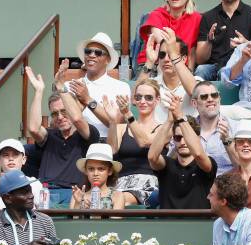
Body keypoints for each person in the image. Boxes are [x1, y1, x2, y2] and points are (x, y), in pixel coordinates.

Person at [26, 63, 100, 206]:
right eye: (54, 114)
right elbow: (34, 128)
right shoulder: (49, 135)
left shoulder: (87, 133)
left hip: (74, 193)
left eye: (64, 111)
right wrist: (39, 91)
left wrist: (61, 87)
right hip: (45, 191)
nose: (59, 117)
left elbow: (77, 119)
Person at [148, 97, 218, 208]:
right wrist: (169, 121)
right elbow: (152, 157)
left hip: (199, 224)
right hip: (167, 222)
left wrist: (180, 117)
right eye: (178, 137)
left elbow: (199, 154)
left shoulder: (207, 163)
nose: (182, 142)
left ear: (197, 138)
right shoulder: (167, 164)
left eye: (186, 137)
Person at [103, 78, 161, 206]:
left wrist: (127, 114)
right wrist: (113, 121)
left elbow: (144, 141)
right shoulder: (121, 127)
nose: (142, 101)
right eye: (138, 97)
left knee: (117, 199)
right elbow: (111, 151)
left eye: (148, 98)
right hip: (120, 184)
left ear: (157, 100)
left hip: (148, 185)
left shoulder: (162, 129)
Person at [195, 0, 251, 81]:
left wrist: (245, 43)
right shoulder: (208, 17)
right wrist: (209, 41)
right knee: (201, 70)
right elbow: (200, 59)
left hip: (240, 65)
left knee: (223, 73)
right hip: (214, 65)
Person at [66, 32, 132, 139]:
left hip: (108, 144)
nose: (92, 55)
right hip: (76, 144)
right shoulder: (69, 85)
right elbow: (63, 122)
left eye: (98, 53)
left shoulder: (121, 87)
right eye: (88, 51)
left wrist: (88, 100)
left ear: (108, 60)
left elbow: (118, 124)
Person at [138, 0, 202, 70]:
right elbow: (164, 45)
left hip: (181, 66)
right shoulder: (156, 14)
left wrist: (189, 72)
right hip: (154, 65)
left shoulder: (196, 18)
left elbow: (192, 51)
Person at [140, 30, 197, 121]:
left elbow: (194, 92)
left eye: (170, 54)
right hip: (157, 134)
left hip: (187, 132)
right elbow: (136, 99)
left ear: (184, 59)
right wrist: (149, 62)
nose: (166, 59)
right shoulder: (153, 83)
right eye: (162, 55)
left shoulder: (196, 81)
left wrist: (174, 56)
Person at [0, 139, 43, 210]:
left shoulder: (35, 184)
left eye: (15, 154)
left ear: (24, 160)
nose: (11, 159)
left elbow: (44, 211)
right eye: (6, 155)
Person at [70, 143, 125, 209]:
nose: (95, 173)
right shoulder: (77, 196)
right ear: (86, 171)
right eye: (91, 169)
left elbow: (115, 219)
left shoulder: (117, 196)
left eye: (101, 169)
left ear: (110, 171)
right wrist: (78, 204)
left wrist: (95, 213)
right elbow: (73, 219)